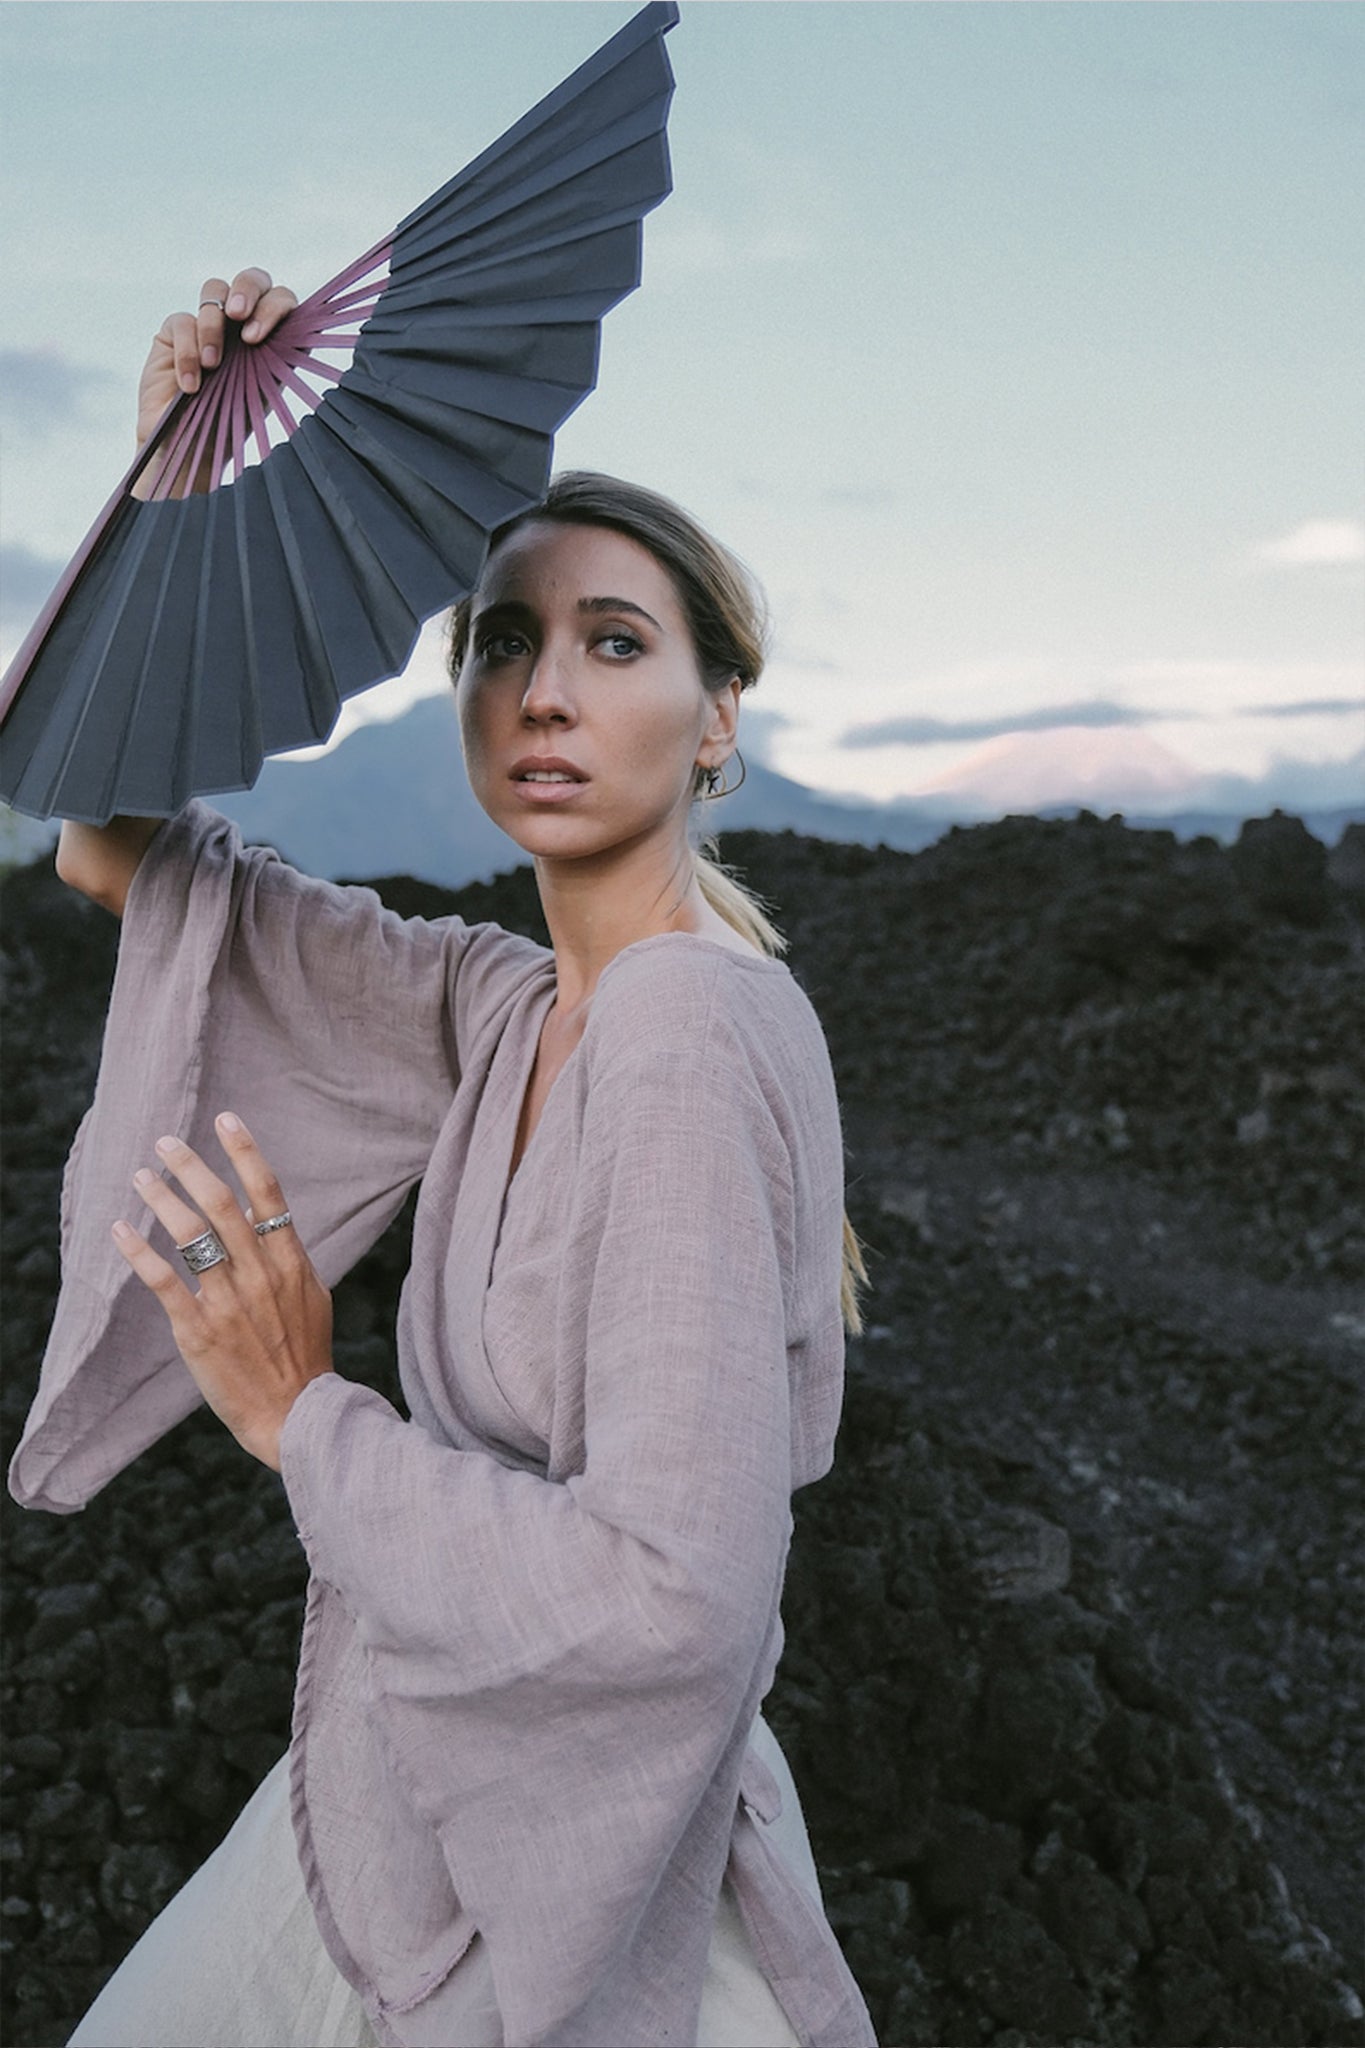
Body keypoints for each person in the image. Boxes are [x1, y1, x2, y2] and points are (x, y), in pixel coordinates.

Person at [10, 270, 877, 2048]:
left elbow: (674, 1603)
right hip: (406, 1783)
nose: (545, 691)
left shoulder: (687, 1036)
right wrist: (176, 494)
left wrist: (299, 1415)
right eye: (501, 643)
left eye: (615, 644)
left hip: (590, 1854)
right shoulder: (495, 1009)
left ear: (719, 716)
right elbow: (107, 845)